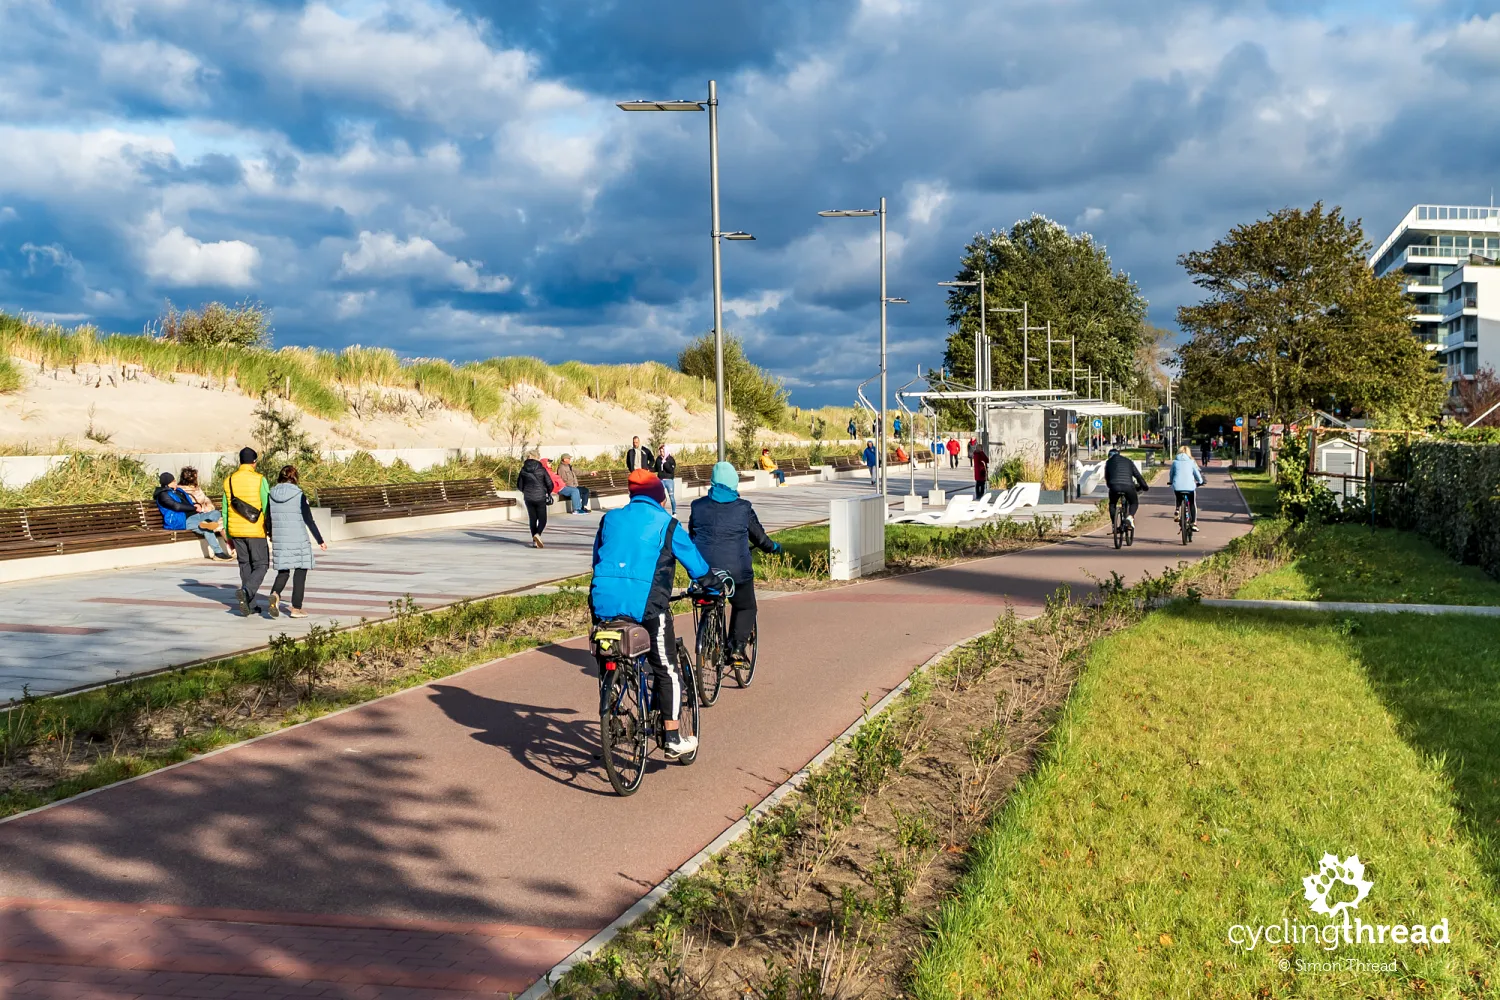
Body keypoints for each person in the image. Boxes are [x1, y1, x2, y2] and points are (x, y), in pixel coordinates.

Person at [589, 469, 724, 759]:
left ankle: (610, 717)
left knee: (610, 654)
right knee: (666, 668)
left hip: (603, 601)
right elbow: (697, 567)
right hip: (647, 605)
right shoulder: (667, 524)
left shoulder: (609, 519)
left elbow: (597, 559)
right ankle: (673, 736)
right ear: (659, 497)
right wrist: (712, 586)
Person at [690, 461, 781, 666]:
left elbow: (693, 535)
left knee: (710, 595)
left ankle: (709, 636)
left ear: (712, 482)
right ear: (734, 483)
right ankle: (738, 648)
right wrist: (774, 547)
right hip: (736, 571)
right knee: (746, 606)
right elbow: (760, 538)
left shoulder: (697, 506)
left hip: (704, 571)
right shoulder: (743, 508)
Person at [265, 465, 327, 619]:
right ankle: (296, 608)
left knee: (283, 570)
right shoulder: (298, 494)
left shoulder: (271, 494)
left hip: (280, 537)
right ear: (294, 477)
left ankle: (275, 593)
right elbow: (308, 519)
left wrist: (271, 534)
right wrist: (320, 540)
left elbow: (268, 517)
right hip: (298, 537)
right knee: (300, 570)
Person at [222, 447, 271, 617]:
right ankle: (246, 591)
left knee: (245, 565)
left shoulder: (228, 480)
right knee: (261, 564)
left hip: (236, 531)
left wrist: (228, 535)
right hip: (255, 530)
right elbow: (266, 506)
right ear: (254, 462)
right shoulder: (259, 479)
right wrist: (270, 528)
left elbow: (225, 510)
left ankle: (250, 605)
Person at [154, 471, 229, 559]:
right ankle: (218, 553)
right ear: (168, 483)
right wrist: (193, 508)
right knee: (207, 529)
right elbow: (176, 506)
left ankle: (207, 522)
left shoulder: (179, 491)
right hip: (183, 520)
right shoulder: (163, 495)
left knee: (216, 513)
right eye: (173, 481)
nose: (175, 482)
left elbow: (188, 503)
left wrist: (197, 505)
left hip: (196, 515)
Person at [179, 466, 233, 557]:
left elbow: (207, 501)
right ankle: (232, 547)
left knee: (218, 517)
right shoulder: (181, 491)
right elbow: (195, 507)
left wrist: (206, 508)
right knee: (219, 524)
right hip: (196, 516)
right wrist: (205, 508)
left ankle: (209, 523)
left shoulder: (197, 488)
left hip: (206, 513)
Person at [1104, 446, 1149, 530]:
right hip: (1128, 486)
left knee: (1112, 504)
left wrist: (1111, 486)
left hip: (1114, 486)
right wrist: (1144, 486)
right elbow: (1138, 476)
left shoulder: (1108, 463)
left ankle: (1114, 525)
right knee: (1134, 503)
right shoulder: (1128, 461)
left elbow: (1107, 477)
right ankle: (1130, 517)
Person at [516, 449, 553, 548]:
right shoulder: (541, 469)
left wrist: (526, 491)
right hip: (540, 497)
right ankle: (538, 534)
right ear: (537, 457)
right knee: (542, 519)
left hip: (528, 497)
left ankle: (534, 541)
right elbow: (549, 483)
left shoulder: (523, 470)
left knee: (533, 519)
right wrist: (548, 492)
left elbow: (519, 485)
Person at [1170, 445, 1205, 527]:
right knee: (1192, 503)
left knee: (1178, 496)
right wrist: (1200, 481)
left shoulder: (1175, 462)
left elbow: (1171, 474)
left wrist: (1171, 482)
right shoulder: (1191, 462)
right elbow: (1197, 474)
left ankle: (1177, 509)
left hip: (1177, 486)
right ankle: (1193, 523)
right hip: (1190, 487)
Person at [657, 445, 678, 513]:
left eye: (663, 451)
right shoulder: (658, 459)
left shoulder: (670, 459)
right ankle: (661, 511)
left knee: (671, 497)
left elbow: (671, 470)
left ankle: (674, 512)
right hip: (661, 480)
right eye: (660, 451)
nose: (661, 453)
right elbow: (656, 468)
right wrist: (648, 469)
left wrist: (665, 462)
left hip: (669, 480)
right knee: (661, 497)